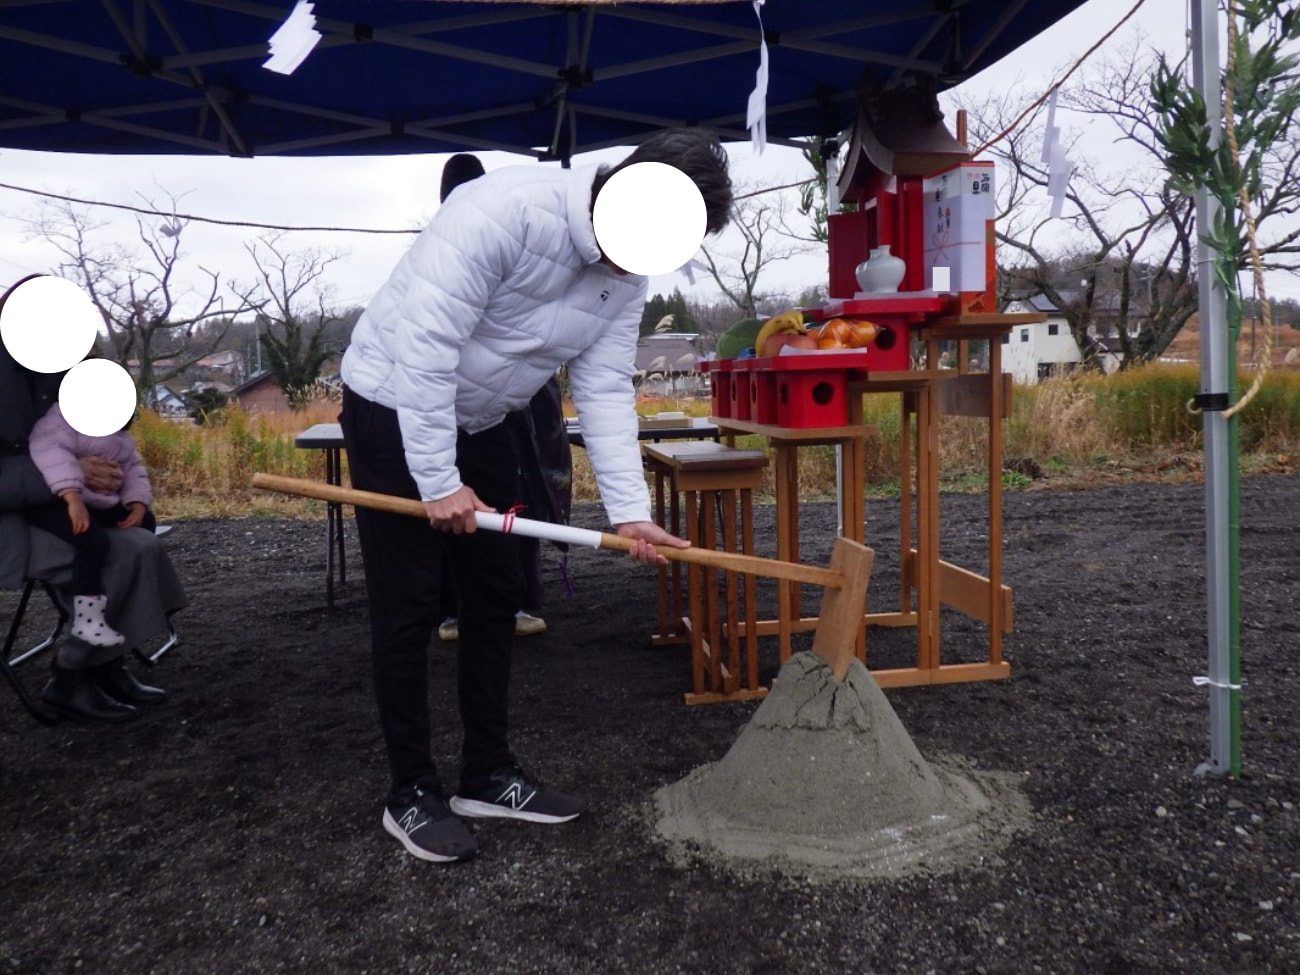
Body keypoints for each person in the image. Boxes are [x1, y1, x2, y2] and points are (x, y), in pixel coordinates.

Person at [339, 128, 732, 863]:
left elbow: (604, 387)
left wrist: (631, 513)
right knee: (410, 601)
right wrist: (438, 481)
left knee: (496, 591)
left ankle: (486, 773)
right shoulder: (503, 212)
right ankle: (410, 789)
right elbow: (426, 348)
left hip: (487, 415)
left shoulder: (628, 276)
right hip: (393, 401)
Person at [0, 275, 188, 723]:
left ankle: (105, 663)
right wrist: (68, 473)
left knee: (139, 539)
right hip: (12, 522)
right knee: (121, 554)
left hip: (64, 506)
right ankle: (71, 675)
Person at [433, 153, 570, 643]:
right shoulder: (441, 249)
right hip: (456, 399)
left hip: (519, 399)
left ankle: (514, 602)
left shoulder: (513, 239)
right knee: (454, 501)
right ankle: (456, 609)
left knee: (517, 500)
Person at [26, 399, 157, 649]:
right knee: (92, 540)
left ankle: (133, 596)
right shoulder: (61, 420)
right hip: (59, 500)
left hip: (99, 500)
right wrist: (72, 496)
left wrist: (138, 503)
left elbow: (132, 467)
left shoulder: (117, 433)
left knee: (145, 522)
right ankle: (87, 619)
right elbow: (54, 456)